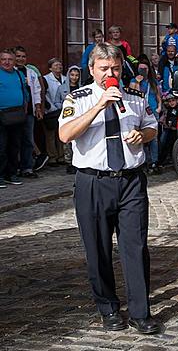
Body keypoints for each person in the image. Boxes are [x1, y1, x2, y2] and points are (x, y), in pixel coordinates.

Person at [58, 43, 160, 334]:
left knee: (136, 247)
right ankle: (108, 308)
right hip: (93, 182)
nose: (110, 74)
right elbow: (65, 134)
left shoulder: (136, 98)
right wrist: (99, 105)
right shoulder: (76, 98)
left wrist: (143, 134)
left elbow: (153, 127)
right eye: (104, 69)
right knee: (97, 248)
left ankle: (141, 313)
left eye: (115, 68)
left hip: (130, 181)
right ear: (91, 70)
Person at [13, 46, 43, 177]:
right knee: (13, 140)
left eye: (23, 56)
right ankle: (12, 168)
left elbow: (37, 90)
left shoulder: (31, 72)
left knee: (28, 140)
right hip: (12, 112)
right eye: (18, 56)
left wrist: (38, 107)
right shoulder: (10, 71)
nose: (20, 59)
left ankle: (27, 168)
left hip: (29, 111)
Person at [0, 49, 28, 187]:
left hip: (17, 115)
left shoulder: (18, 74)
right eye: (4, 59)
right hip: (1, 115)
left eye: (9, 59)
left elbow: (25, 92)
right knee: (1, 146)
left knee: (14, 146)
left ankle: (11, 174)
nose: (6, 62)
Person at [129, 58, 162, 171]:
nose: (143, 70)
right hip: (139, 112)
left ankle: (154, 161)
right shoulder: (134, 80)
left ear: (149, 70)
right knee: (140, 136)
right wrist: (138, 82)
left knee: (154, 138)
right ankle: (144, 161)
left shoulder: (153, 81)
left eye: (145, 69)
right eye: (141, 68)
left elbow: (158, 95)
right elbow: (134, 95)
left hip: (152, 110)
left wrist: (159, 107)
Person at [42, 58, 67, 167]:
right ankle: (52, 157)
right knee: (50, 134)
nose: (59, 67)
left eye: (60, 65)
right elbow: (44, 95)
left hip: (62, 109)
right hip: (50, 110)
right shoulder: (46, 79)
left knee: (60, 134)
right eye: (56, 65)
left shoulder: (66, 78)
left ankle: (61, 156)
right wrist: (50, 107)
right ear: (50, 68)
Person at [63, 65, 81, 173]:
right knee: (67, 141)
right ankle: (69, 162)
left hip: (79, 117)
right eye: (72, 75)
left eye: (77, 75)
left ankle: (77, 161)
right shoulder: (62, 88)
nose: (74, 77)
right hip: (67, 116)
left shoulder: (82, 88)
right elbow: (56, 101)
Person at [158, 93, 178, 166]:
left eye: (173, 100)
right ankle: (160, 162)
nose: (171, 103)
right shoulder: (169, 109)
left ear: (177, 100)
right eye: (170, 101)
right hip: (171, 130)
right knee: (166, 145)